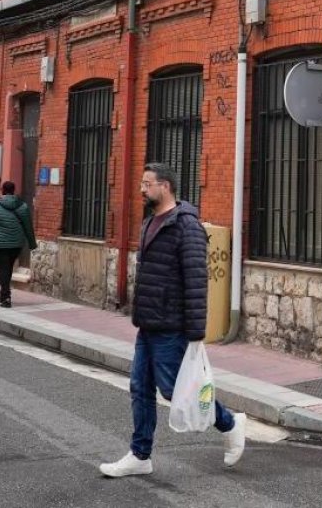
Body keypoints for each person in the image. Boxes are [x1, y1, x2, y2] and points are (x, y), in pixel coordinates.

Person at [100, 162, 246, 478]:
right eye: (141, 183)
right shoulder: (150, 221)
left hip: (172, 326)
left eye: (147, 183)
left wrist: (196, 332)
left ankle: (230, 423)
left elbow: (196, 279)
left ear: (165, 186)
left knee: (174, 391)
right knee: (140, 388)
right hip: (149, 323)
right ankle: (140, 455)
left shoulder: (186, 226)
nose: (142, 188)